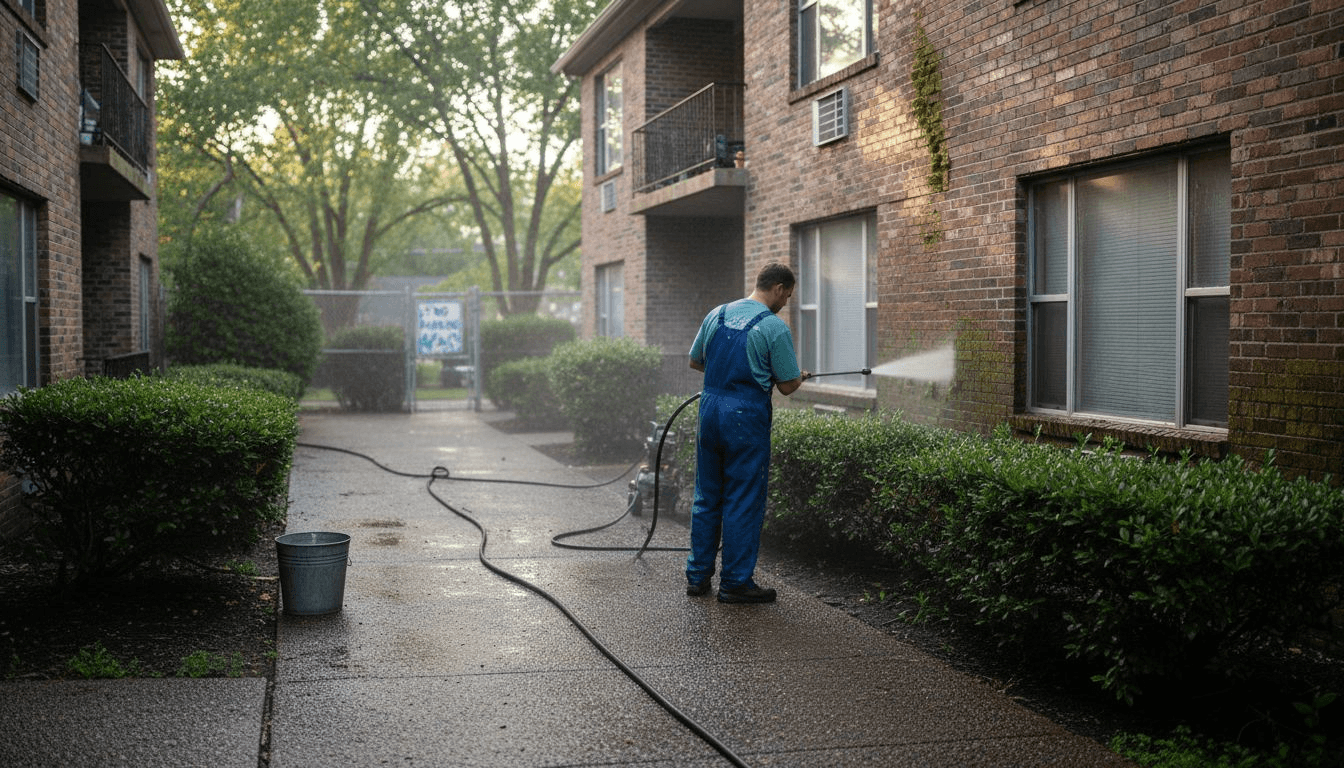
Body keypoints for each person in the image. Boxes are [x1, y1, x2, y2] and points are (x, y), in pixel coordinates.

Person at [685, 262, 810, 604]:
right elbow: (787, 386)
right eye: (788, 295)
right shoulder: (773, 328)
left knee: (707, 495)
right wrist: (798, 376)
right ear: (779, 289)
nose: (786, 302)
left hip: (710, 411)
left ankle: (697, 577)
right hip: (744, 418)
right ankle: (735, 583)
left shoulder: (717, 314)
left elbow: (695, 361)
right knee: (742, 498)